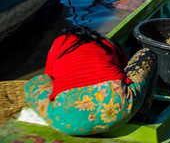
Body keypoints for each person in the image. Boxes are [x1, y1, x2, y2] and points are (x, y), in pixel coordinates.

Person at [24, 26, 157, 135]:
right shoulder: (106, 43)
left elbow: (49, 76)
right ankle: (141, 116)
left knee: (36, 81)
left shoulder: (61, 41)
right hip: (119, 112)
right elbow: (126, 72)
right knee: (147, 54)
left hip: (66, 121)